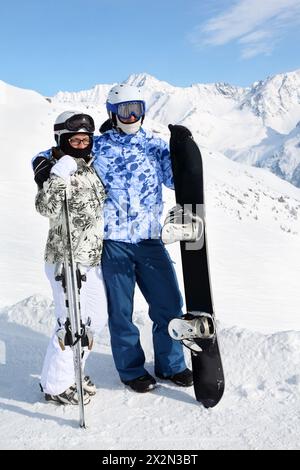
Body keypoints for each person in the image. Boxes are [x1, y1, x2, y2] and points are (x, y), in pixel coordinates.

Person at [92, 84, 193, 393]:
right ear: (112, 112)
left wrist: (185, 152)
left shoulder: (154, 145)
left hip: (150, 239)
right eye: (124, 110)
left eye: (136, 108)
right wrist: (42, 165)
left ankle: (171, 365)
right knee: (120, 311)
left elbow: (176, 179)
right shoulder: (97, 146)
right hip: (114, 241)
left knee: (169, 304)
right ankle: (131, 370)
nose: (132, 115)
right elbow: (56, 154)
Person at [32, 111, 108, 405]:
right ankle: (55, 385)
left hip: (92, 257)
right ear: (62, 140)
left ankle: (73, 372)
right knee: (69, 324)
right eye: (73, 139)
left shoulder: (90, 167)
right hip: (65, 258)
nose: (80, 144)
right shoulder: (56, 168)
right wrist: (56, 174)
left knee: (96, 319)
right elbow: (45, 208)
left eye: (84, 139)